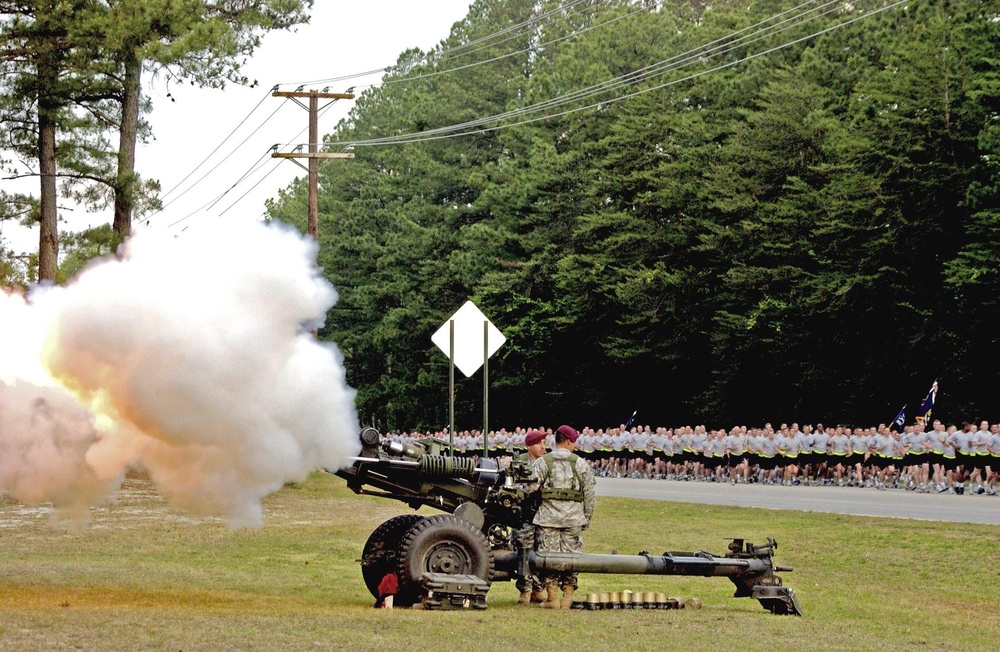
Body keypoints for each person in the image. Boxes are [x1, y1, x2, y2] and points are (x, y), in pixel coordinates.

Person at [531, 424, 596, 609]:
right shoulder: (581, 464)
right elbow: (590, 495)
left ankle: (552, 598)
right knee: (572, 557)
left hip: (547, 519)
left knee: (548, 558)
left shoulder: (543, 462)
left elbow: (529, 488)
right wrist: (587, 518)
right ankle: (567, 597)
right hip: (573, 519)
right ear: (568, 441)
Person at [515, 429, 548, 604]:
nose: (543, 446)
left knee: (541, 550)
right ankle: (525, 590)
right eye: (538, 443)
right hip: (524, 514)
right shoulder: (520, 462)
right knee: (524, 550)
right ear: (529, 446)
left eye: (544, 443)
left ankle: (537, 588)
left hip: (543, 513)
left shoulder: (547, 462)